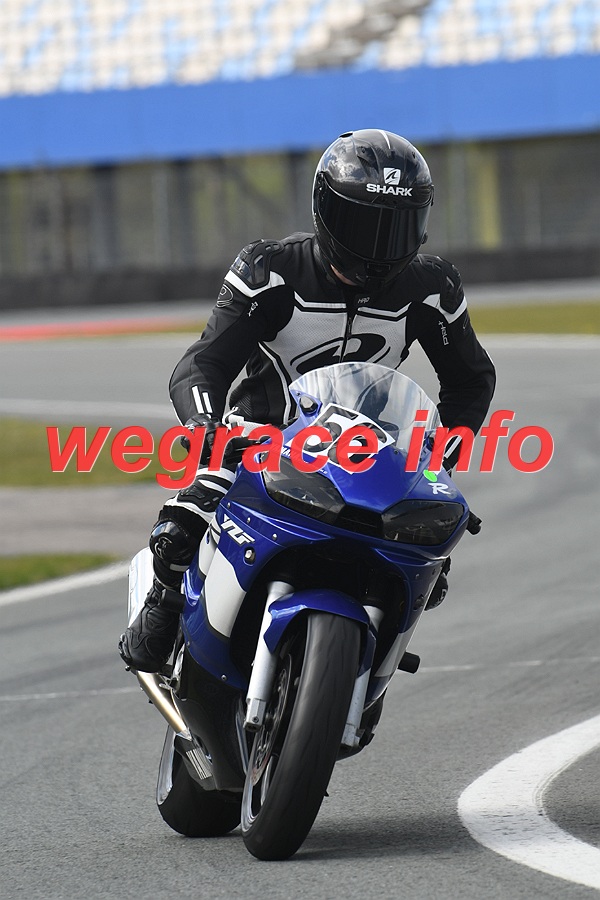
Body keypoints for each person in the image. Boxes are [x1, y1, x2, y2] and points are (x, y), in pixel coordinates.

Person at [119, 128, 496, 673]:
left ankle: (369, 663)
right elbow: (203, 364)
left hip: (362, 455)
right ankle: (165, 599)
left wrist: (438, 457)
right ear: (325, 211)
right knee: (183, 525)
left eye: (396, 227)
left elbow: (471, 380)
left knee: (428, 563)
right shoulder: (271, 270)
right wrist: (206, 428)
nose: (379, 246)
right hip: (259, 441)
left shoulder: (432, 288)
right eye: (363, 224)